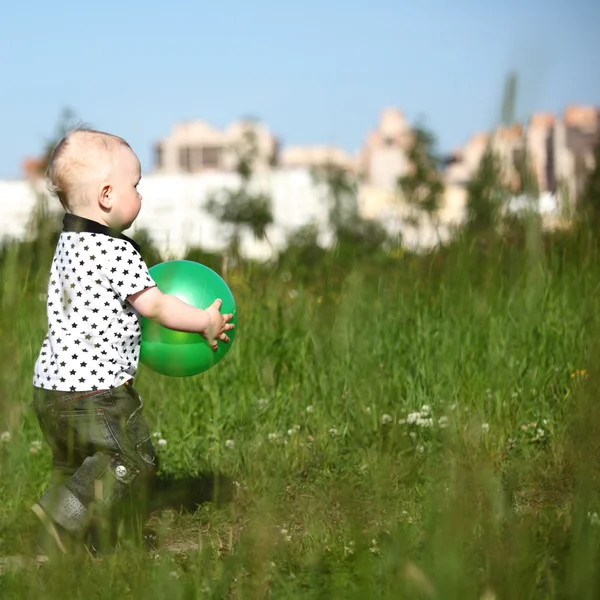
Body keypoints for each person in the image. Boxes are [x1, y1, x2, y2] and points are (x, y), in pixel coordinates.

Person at [30, 127, 235, 556]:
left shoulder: (68, 243)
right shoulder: (117, 251)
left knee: (77, 465)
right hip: (97, 390)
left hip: (50, 389)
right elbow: (156, 306)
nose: (140, 195)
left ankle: (77, 542)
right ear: (107, 196)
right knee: (131, 459)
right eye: (135, 186)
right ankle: (59, 518)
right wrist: (203, 321)